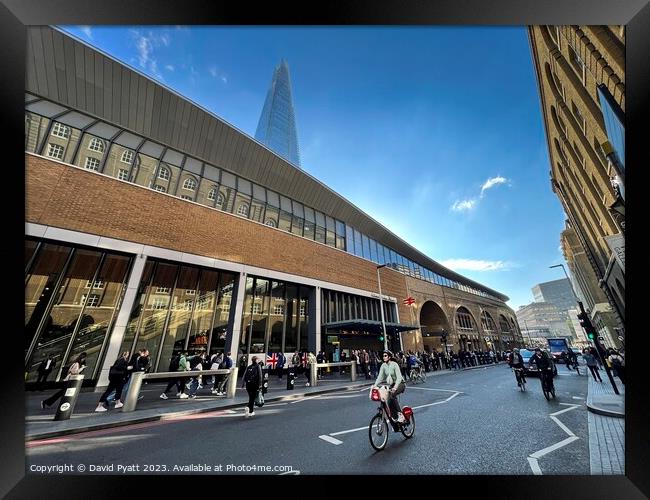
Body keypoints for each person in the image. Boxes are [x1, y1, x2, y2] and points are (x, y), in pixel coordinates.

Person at [372, 350, 406, 425]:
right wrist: (375, 385)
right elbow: (380, 377)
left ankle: (400, 415)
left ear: (389, 357)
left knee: (392, 395)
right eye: (383, 356)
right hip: (392, 385)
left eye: (385, 356)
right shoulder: (383, 366)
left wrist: (395, 387)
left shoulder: (394, 364)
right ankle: (395, 419)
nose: (383, 357)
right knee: (389, 401)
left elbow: (399, 377)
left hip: (400, 384)